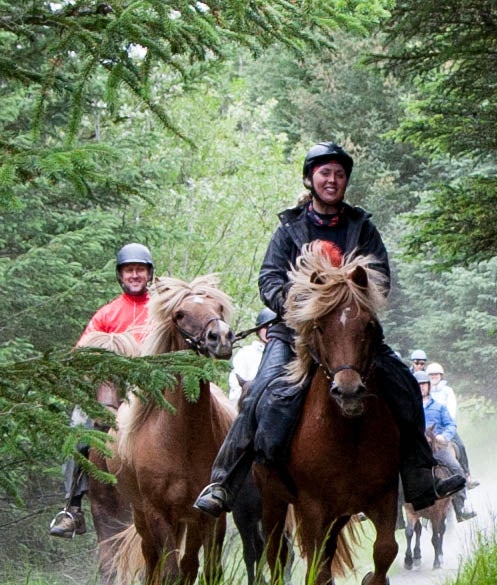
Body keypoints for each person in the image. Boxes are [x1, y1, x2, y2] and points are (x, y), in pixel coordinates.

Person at [193, 142, 465, 517]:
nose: (332, 180)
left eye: (339, 174)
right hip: (297, 336)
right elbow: (269, 278)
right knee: (259, 395)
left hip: (354, 333)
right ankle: (224, 481)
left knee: (402, 384)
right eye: (325, 173)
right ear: (310, 179)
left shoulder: (361, 227)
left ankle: (420, 472)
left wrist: (355, 295)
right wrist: (300, 301)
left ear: (346, 181)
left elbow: (381, 277)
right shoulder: (290, 228)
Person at [48, 242, 154, 538]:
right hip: (111, 388)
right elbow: (81, 351)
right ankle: (72, 507)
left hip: (150, 388)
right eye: (129, 270)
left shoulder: (160, 310)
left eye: (140, 270)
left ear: (149, 274)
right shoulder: (107, 314)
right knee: (79, 429)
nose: (135, 275)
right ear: (120, 276)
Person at [416, 370, 475, 521]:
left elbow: (450, 424)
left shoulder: (439, 407)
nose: (421, 387)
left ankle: (461, 507)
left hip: (437, 448)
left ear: (428, 386)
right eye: (418, 385)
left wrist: (444, 436)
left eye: (424, 384)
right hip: (417, 450)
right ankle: (398, 516)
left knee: (456, 468)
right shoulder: (410, 408)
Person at [426, 361, 478, 489]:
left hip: (443, 428)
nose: (433, 377)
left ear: (441, 376)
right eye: (431, 375)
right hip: (427, 431)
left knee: (460, 446)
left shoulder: (447, 391)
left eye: (436, 375)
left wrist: (444, 433)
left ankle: (467, 475)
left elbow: (451, 410)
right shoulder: (425, 391)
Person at [229, 307, 275, 403]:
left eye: (274, 327)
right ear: (258, 330)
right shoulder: (245, 354)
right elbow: (236, 388)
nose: (270, 330)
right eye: (266, 327)